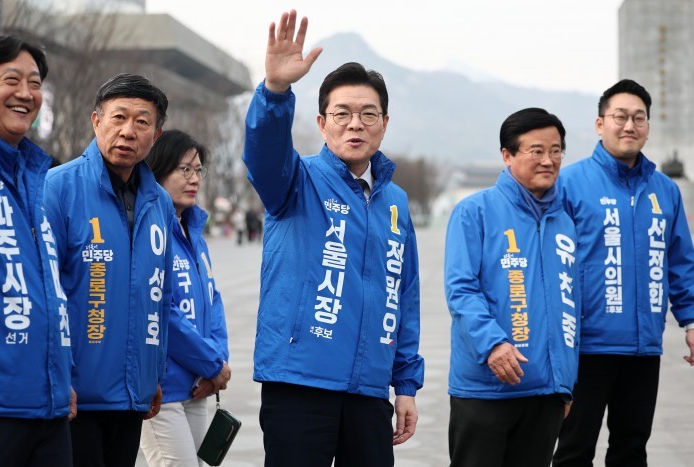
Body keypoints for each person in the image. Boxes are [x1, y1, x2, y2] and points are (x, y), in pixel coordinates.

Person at [243, 10, 424, 467]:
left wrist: (405, 385)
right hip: (299, 384)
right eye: (342, 114)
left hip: (369, 389)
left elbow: (404, 296)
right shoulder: (295, 179)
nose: (355, 124)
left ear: (385, 123)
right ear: (323, 124)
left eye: (368, 114)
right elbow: (263, 154)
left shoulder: (396, 202)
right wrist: (275, 92)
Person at [553, 79, 694, 467]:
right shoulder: (569, 184)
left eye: (638, 118)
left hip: (643, 348)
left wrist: (691, 320)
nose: (629, 125)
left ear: (647, 126)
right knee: (573, 451)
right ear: (600, 124)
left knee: (632, 451)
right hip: (585, 347)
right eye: (620, 117)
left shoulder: (665, 190)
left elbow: (681, 261)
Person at [44, 73, 174, 467]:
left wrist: (153, 373)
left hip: (132, 396)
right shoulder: (58, 187)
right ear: (96, 121)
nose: (128, 131)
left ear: (156, 134)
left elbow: (160, 294)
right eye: (118, 117)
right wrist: (56, 378)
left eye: (142, 121)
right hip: (75, 398)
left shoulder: (160, 202)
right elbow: (45, 291)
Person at [444, 108, 580, 467]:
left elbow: (569, 302)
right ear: (507, 155)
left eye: (556, 150)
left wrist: (565, 382)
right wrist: (493, 344)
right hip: (486, 389)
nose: (548, 160)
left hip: (545, 394)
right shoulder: (474, 212)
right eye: (536, 151)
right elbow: (461, 289)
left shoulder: (564, 223)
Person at [0, 34, 74, 467]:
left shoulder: (39, 179)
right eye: (12, 80)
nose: (25, 93)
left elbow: (51, 288)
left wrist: (60, 379)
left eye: (35, 83)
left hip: (50, 408)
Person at [140, 129, 231, 467]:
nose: (194, 179)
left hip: (198, 384)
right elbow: (163, 312)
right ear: (159, 170)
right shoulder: (150, 230)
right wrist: (212, 364)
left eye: (198, 170)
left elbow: (212, 301)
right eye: (184, 169)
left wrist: (217, 363)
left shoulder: (193, 232)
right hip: (162, 389)